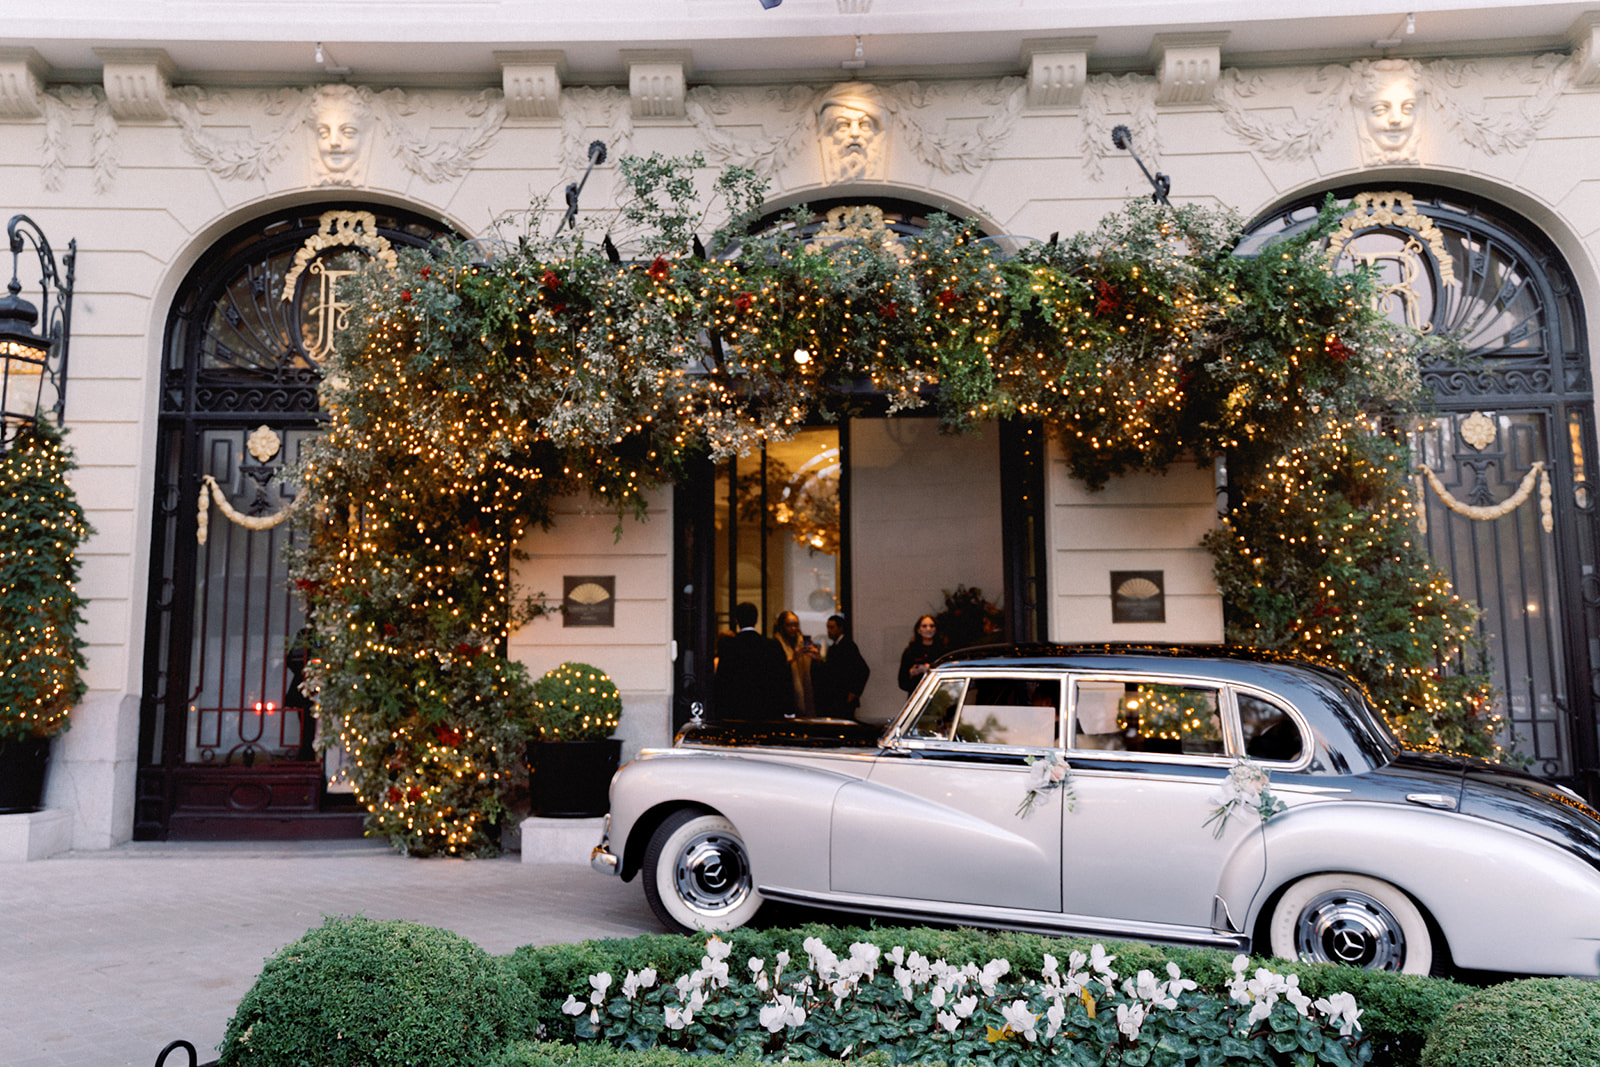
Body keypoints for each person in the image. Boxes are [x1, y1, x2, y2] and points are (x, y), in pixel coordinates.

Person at [713, 602, 795, 720]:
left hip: (737, 711)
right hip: (767, 710)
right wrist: (789, 709)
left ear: (736, 620)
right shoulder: (772, 646)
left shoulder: (729, 647)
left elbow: (723, 681)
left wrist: (720, 711)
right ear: (756, 620)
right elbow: (783, 679)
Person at [814, 614, 870, 720]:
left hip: (843, 696)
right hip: (837, 696)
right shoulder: (834, 647)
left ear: (840, 628)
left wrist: (854, 692)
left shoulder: (848, 646)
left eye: (832, 627)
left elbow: (863, 670)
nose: (829, 631)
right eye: (828, 627)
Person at [773, 610, 818, 717]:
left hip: (805, 691)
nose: (793, 628)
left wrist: (817, 658)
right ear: (782, 626)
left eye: (795, 625)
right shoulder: (776, 643)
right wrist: (793, 656)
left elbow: (815, 672)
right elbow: (775, 669)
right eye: (789, 625)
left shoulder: (802, 641)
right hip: (787, 694)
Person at [898, 613, 947, 693]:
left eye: (932, 626)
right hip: (917, 694)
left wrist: (929, 669)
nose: (928, 629)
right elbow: (902, 683)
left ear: (936, 629)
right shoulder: (910, 652)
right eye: (924, 626)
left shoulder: (943, 650)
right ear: (918, 630)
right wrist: (911, 673)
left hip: (939, 693)